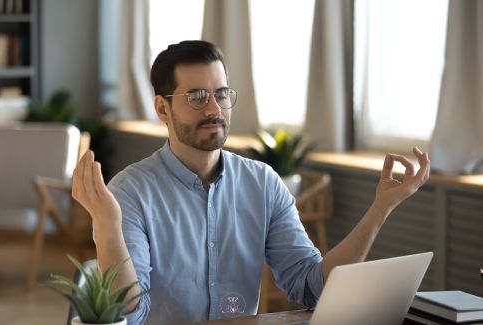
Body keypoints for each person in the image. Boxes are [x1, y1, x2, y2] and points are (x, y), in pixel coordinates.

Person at [72, 40, 430, 325]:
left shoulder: (263, 183)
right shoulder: (130, 191)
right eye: (196, 97)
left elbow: (313, 287)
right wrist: (107, 225)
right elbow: (127, 315)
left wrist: (381, 207)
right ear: (163, 109)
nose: (214, 109)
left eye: (222, 94)